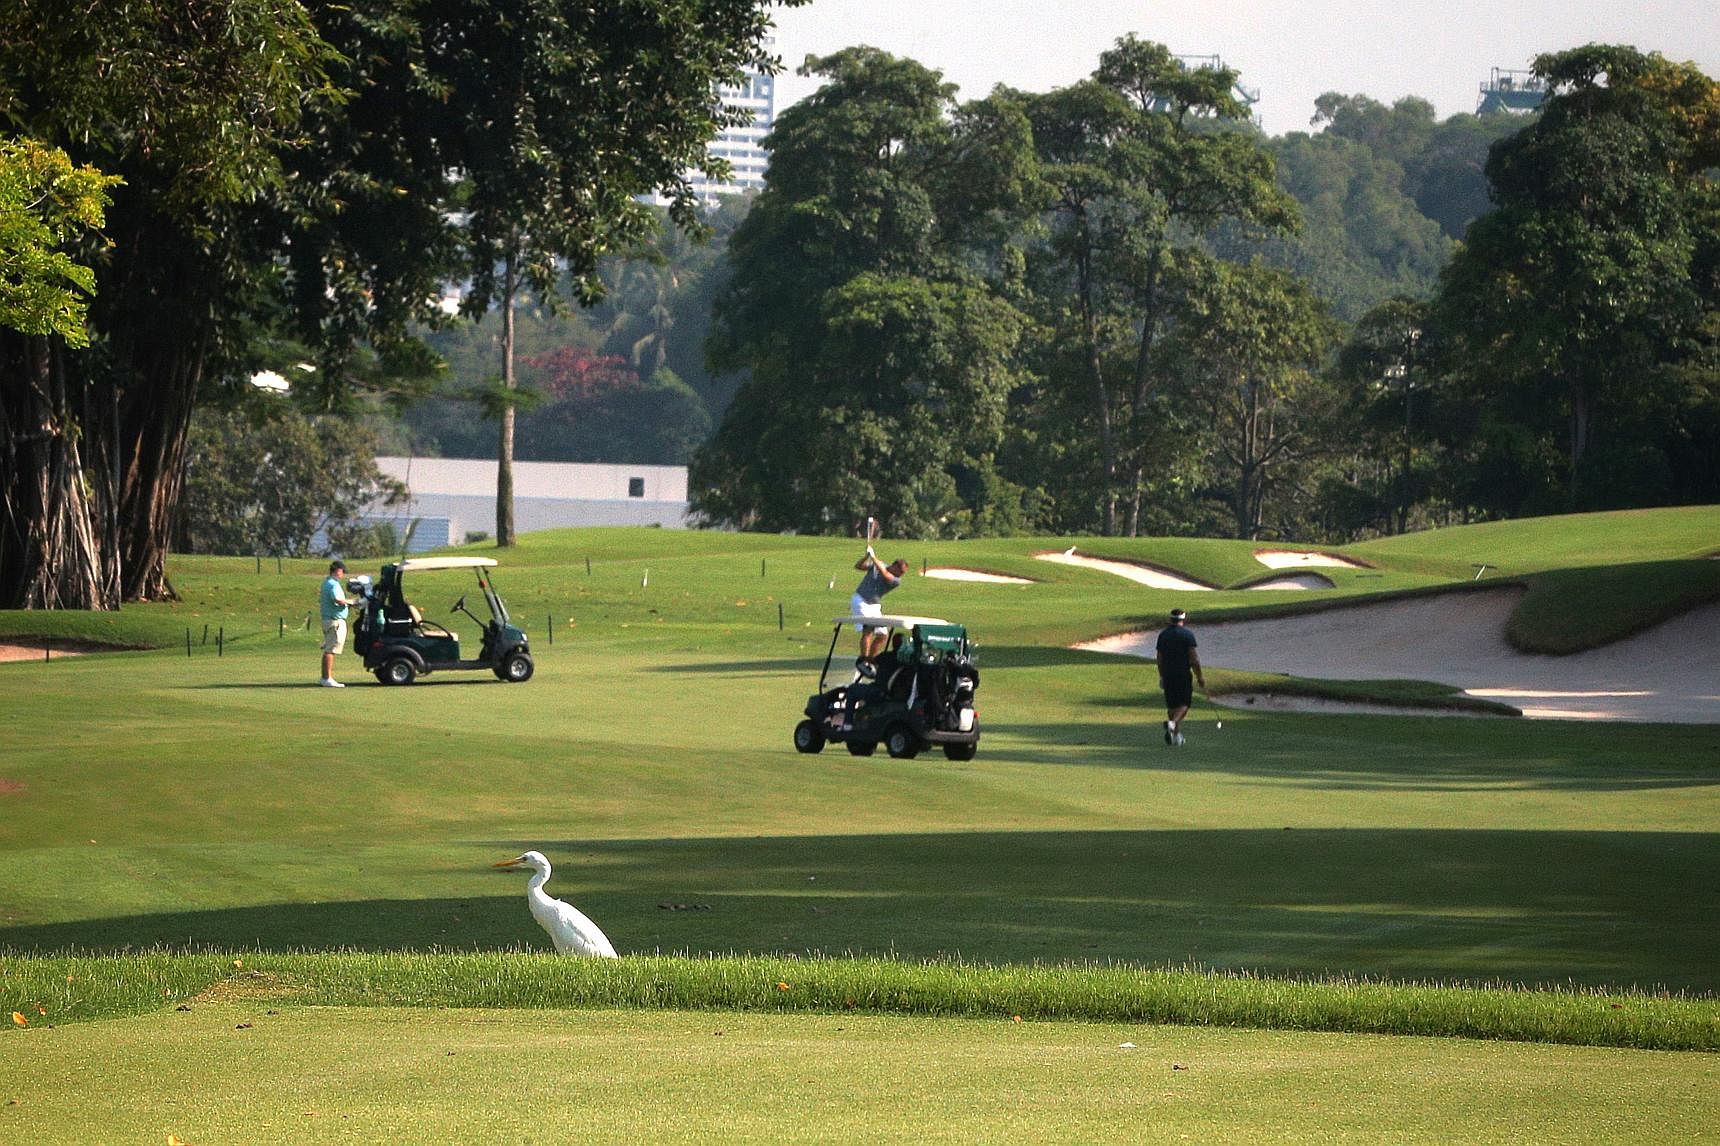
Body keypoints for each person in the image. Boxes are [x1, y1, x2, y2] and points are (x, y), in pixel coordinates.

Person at [1154, 608, 1206, 746]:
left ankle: (1176, 736)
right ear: (1183, 619)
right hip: (1182, 674)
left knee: (1172, 707)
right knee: (1184, 704)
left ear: (1170, 619)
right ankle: (1173, 724)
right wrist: (1200, 677)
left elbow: (1159, 658)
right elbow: (1194, 659)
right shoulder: (1187, 635)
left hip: (1168, 674)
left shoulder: (1163, 635)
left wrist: (1162, 676)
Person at [850, 547, 909, 659]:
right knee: (868, 630)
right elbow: (858, 566)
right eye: (900, 572)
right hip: (860, 600)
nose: (900, 575)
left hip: (874, 606)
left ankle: (871, 659)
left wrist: (873, 556)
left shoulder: (896, 581)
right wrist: (866, 557)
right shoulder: (878, 565)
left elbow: (886, 574)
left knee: (883, 635)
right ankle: (864, 658)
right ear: (894, 566)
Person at [319, 559, 360, 688]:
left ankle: (325, 677)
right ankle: (327, 678)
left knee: (329, 649)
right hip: (335, 621)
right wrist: (353, 602)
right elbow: (338, 599)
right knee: (331, 650)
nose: (343, 575)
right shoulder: (333, 584)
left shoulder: (327, 582)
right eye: (342, 572)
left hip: (329, 619)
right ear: (338, 571)